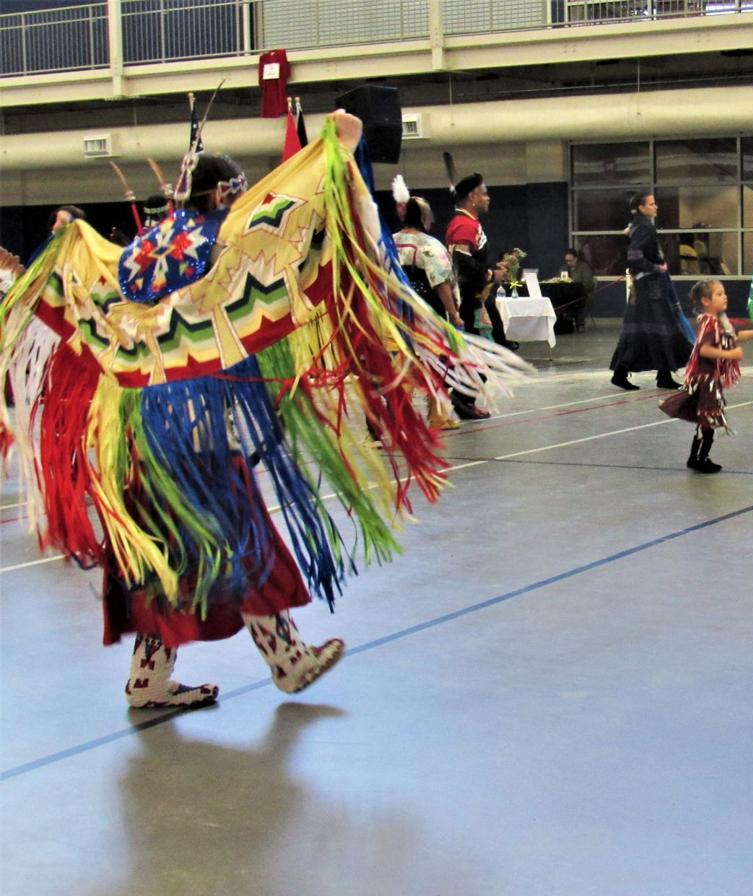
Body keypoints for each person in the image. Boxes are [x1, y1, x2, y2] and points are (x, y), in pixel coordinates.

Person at [1, 110, 507, 708]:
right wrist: (339, 153)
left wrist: (63, 237)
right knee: (245, 542)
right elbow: (299, 235)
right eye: (236, 194)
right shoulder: (221, 244)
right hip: (200, 435)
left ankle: (147, 679)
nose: (238, 204)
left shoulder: (139, 252)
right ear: (221, 194)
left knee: (175, 554)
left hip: (140, 440)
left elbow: (83, 285)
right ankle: (287, 660)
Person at [659, 279, 753, 473]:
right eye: (719, 294)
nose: (725, 297)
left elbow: (734, 336)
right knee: (708, 420)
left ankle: (696, 457)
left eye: (724, 293)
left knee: (705, 421)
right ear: (706, 301)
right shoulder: (709, 323)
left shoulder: (720, 322)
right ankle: (700, 458)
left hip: (710, 378)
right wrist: (730, 355)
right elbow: (704, 350)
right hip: (706, 380)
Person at [392, 175, 467, 428]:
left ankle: (401, 417)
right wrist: (454, 313)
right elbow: (441, 283)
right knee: (435, 361)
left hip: (395, 311)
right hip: (426, 311)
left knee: (403, 361)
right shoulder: (430, 245)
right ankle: (436, 415)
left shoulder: (390, 241)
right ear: (424, 218)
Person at [609, 190, 693, 391]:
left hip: (646, 289)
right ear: (641, 207)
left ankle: (660, 375)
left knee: (648, 332)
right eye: (652, 203)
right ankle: (628, 374)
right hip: (650, 290)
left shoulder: (639, 226)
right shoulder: (644, 227)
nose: (656, 207)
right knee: (662, 330)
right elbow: (635, 257)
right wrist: (657, 267)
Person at [445, 172, 515, 352]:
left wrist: (491, 270)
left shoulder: (465, 222)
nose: (488, 198)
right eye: (484, 193)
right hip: (470, 300)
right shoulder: (465, 225)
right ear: (472, 197)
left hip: (474, 296)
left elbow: (469, 261)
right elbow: (461, 262)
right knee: (478, 364)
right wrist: (491, 274)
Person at [563, 247, 594, 330]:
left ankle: (580, 323)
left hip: (583, 294)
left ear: (576, 258)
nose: (568, 263)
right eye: (567, 261)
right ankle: (564, 323)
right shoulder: (564, 269)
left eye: (570, 260)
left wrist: (576, 290)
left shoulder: (584, 268)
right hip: (567, 294)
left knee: (578, 301)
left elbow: (588, 284)